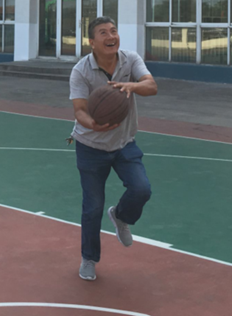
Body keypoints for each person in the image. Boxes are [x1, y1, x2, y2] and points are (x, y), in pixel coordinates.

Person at [69, 16, 158, 281]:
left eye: (114, 31)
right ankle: (89, 258)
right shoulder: (81, 71)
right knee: (93, 207)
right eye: (103, 33)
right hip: (90, 145)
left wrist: (132, 85)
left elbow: (151, 86)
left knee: (141, 189)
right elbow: (79, 110)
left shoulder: (130, 60)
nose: (111, 36)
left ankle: (121, 216)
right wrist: (94, 125)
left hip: (123, 143)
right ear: (92, 42)